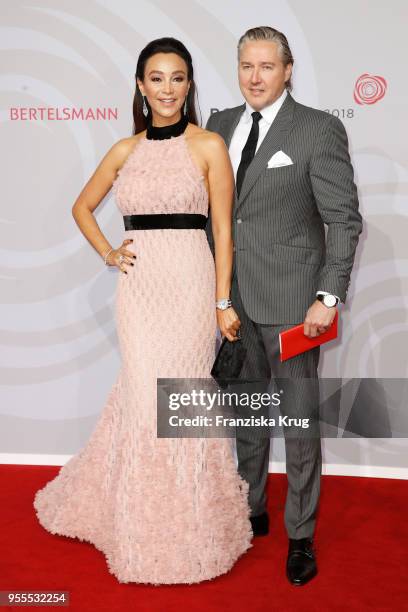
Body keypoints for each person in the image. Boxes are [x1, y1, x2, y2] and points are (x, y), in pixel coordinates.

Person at [33, 37, 253, 585]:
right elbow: (82, 207)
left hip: (190, 282)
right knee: (141, 392)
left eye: (177, 78)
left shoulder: (208, 147)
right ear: (140, 85)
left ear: (189, 85)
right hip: (140, 290)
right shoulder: (124, 150)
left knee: (181, 395)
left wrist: (222, 301)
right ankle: (136, 519)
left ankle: (192, 523)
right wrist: (109, 252)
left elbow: (223, 230)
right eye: (156, 78)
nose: (167, 89)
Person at [205, 26, 363, 585]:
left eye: (266, 67)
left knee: (298, 421)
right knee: (245, 410)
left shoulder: (318, 129)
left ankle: (301, 535)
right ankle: (251, 509)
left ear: (288, 70)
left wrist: (328, 294)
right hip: (232, 299)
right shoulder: (219, 124)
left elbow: (343, 219)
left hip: (296, 301)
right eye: (246, 65)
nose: (254, 77)